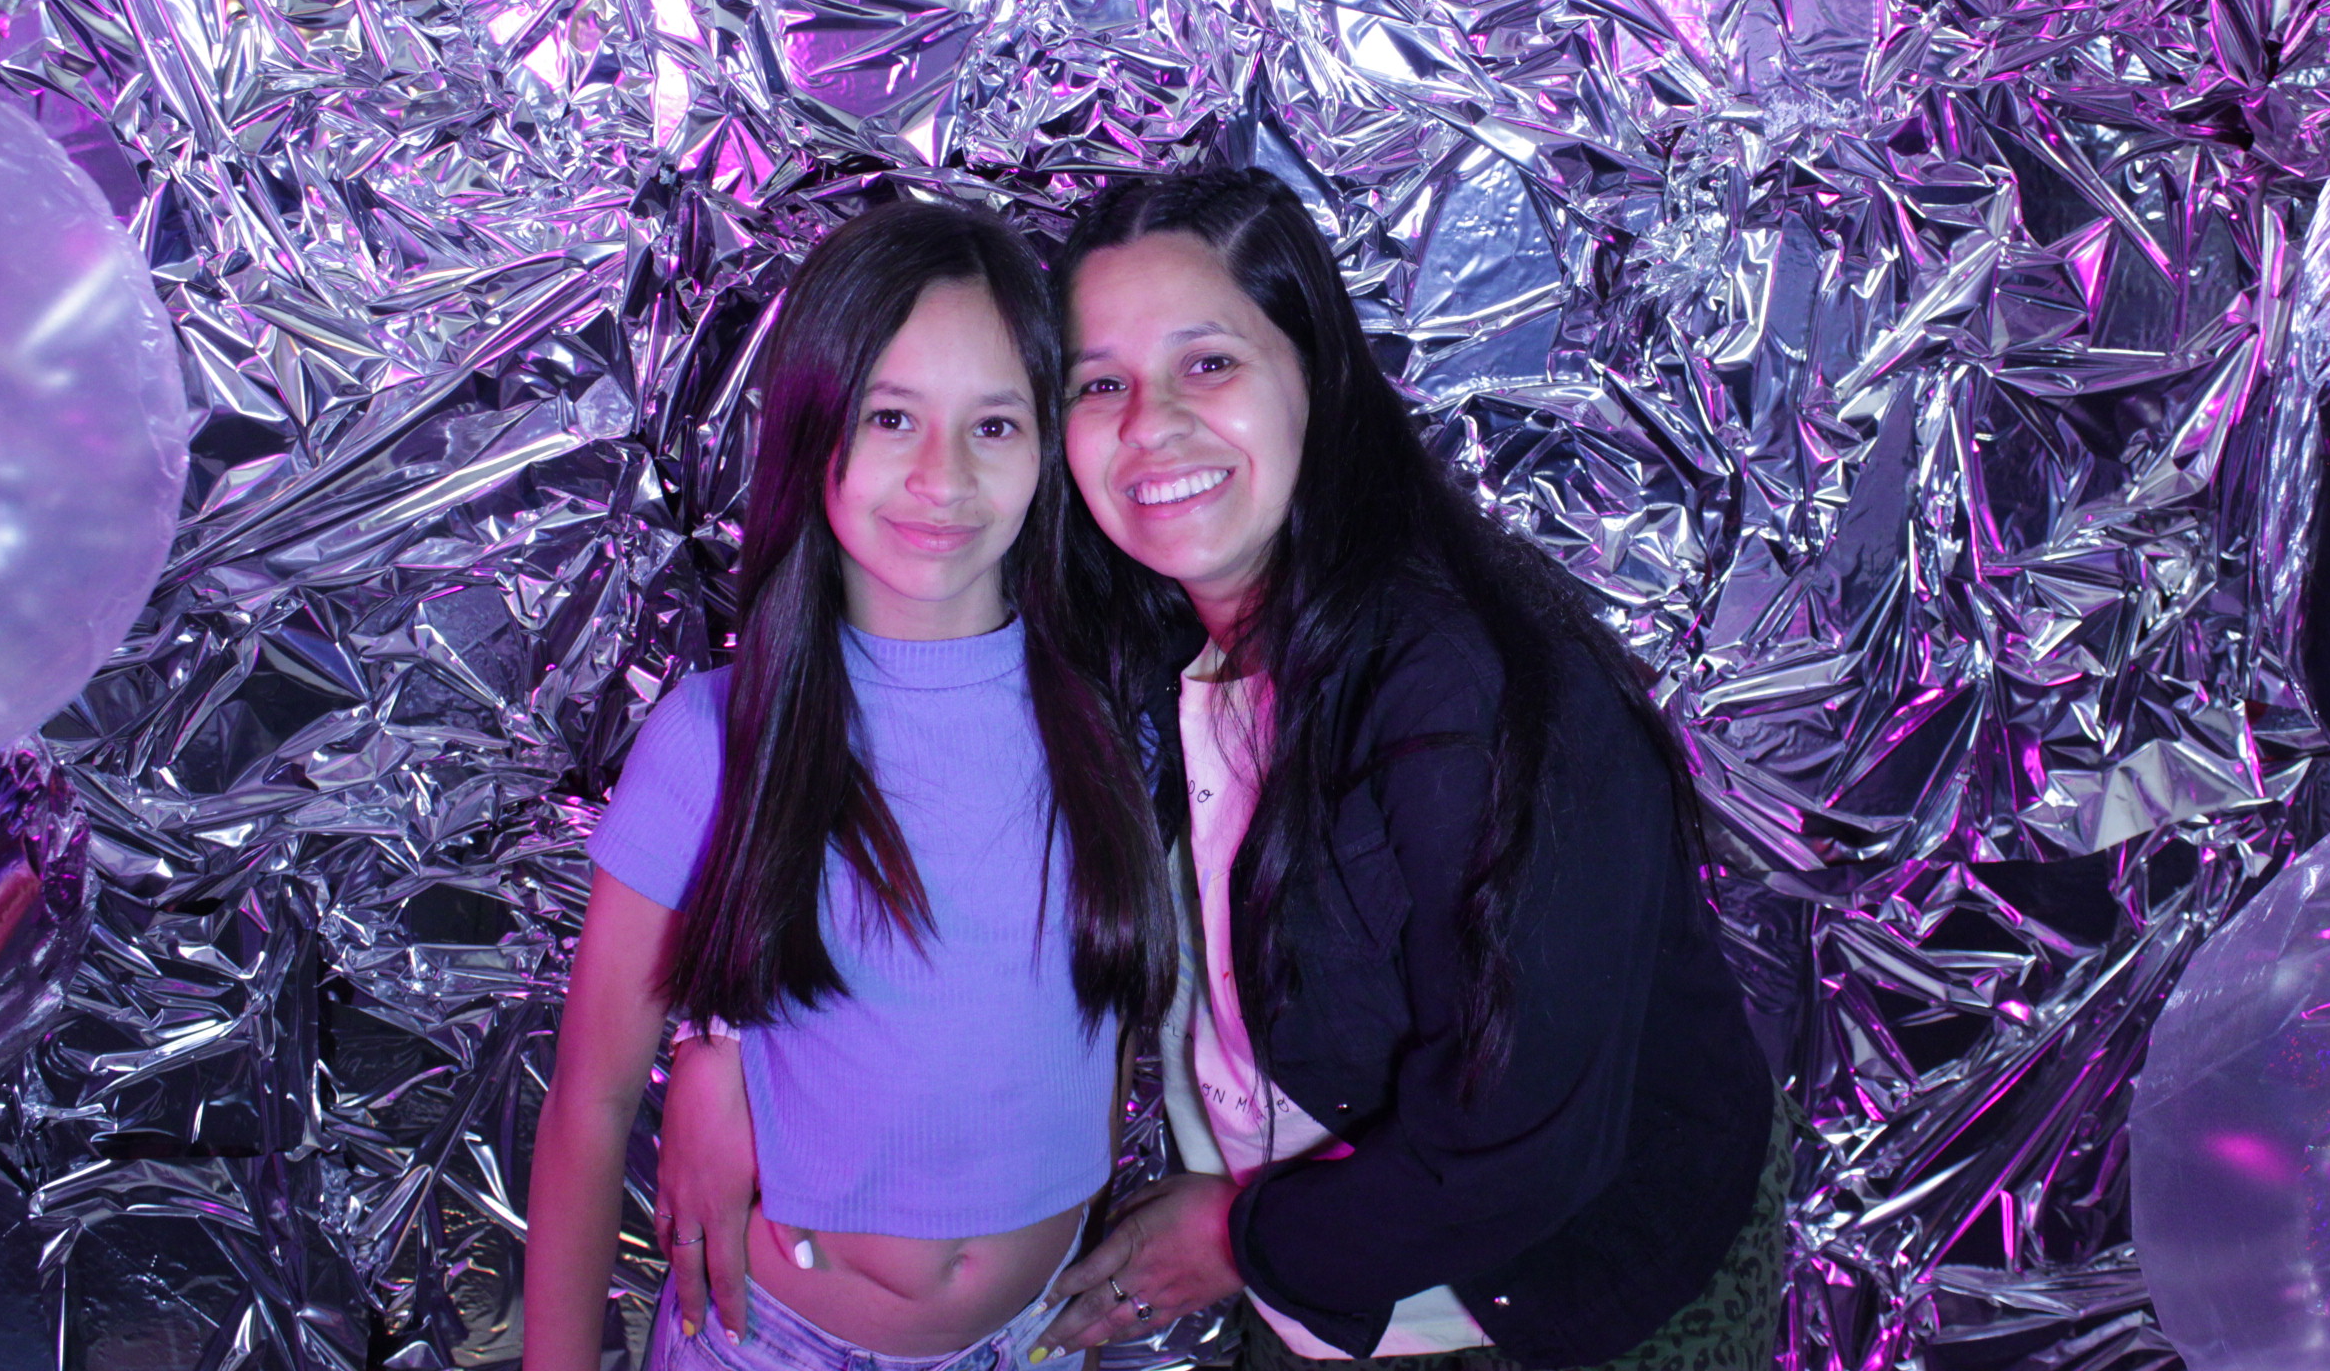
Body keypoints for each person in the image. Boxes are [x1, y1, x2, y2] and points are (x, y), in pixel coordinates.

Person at [1029, 167, 1784, 1371]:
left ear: (1317, 377)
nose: (1146, 424)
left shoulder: (1454, 690)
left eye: (1208, 363)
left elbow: (1519, 1142)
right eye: (1099, 383)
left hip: (1545, 1303)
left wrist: (1237, 1235)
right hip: (1333, 1279)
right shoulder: (1170, 647)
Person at [522, 199, 1170, 1371]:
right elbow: (591, 1103)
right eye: (890, 417)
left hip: (1028, 1342)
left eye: (993, 425)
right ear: (816, 429)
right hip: (771, 1343)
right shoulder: (718, 736)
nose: (942, 476)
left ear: (1046, 449)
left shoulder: (1107, 718)